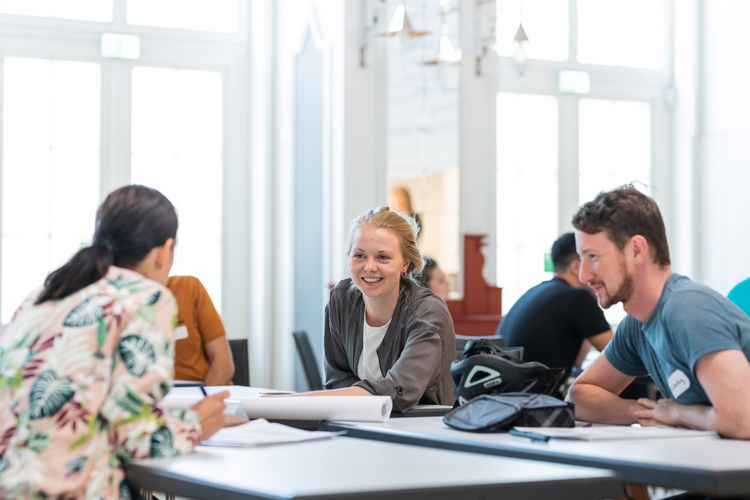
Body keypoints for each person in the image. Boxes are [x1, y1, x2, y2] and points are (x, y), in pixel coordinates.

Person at [0, 185, 228, 498]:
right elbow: (137, 440)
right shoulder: (147, 298)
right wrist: (196, 423)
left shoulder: (42, 295)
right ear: (164, 251)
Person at [568, 185, 750, 439]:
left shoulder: (687, 308)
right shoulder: (636, 325)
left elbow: (742, 419)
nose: (584, 275)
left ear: (636, 250)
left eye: (593, 257)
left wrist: (678, 413)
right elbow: (580, 396)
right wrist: (652, 413)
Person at [323, 206, 456, 412]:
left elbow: (398, 391)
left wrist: (302, 400)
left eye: (383, 257)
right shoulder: (341, 300)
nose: (369, 267)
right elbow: (336, 378)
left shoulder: (428, 312)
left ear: (405, 263)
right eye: (359, 255)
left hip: (422, 428)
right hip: (360, 420)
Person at [498, 233, 612, 380]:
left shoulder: (536, 291)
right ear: (576, 267)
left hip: (504, 395)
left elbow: (576, 361)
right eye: (593, 260)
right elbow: (620, 356)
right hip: (534, 399)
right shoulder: (577, 298)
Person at [168, 275, 235, 385]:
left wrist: (206, 399)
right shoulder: (131, 300)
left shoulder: (189, 288)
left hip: (199, 390)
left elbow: (223, 361)